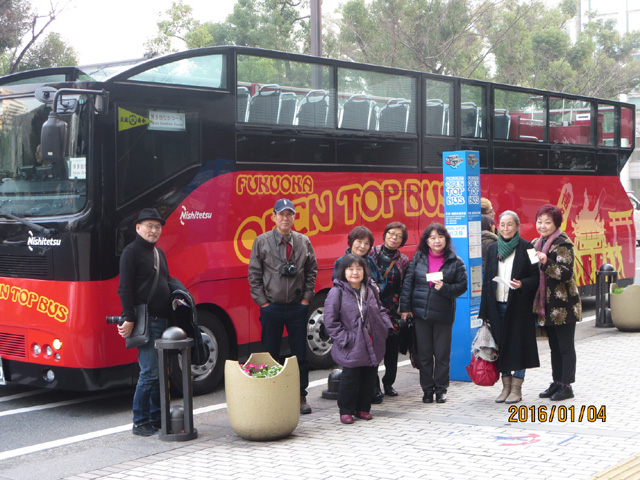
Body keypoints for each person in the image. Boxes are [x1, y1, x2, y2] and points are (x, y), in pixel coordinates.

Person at [117, 208, 187, 436]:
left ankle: (157, 418)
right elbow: (125, 288)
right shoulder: (131, 252)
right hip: (147, 321)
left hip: (163, 321)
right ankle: (140, 421)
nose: (154, 230)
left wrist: (182, 295)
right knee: (149, 373)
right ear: (138, 228)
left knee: (161, 373)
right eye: (149, 226)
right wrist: (129, 317)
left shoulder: (158, 253)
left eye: (157, 227)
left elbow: (167, 280)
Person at [248, 198, 318, 414]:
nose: (285, 218)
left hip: (297, 307)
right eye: (281, 214)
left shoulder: (303, 241)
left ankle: (300, 395)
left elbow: (312, 271)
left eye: (289, 214)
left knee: (300, 355)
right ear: (274, 217)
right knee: (271, 354)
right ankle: (272, 396)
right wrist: (263, 303)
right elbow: (254, 274)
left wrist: (306, 299)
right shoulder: (261, 241)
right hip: (272, 308)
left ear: (294, 217)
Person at [400, 223, 467, 404]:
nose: (437, 241)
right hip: (421, 314)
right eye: (432, 237)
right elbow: (408, 284)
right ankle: (427, 390)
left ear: (446, 239)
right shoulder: (419, 258)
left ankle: (441, 389)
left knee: (442, 354)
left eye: (440, 237)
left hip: (443, 315)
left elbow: (462, 286)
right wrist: (405, 308)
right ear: (427, 241)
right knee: (424, 354)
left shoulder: (455, 261)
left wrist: (445, 288)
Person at [478, 211, 540, 404]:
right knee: (501, 347)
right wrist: (484, 311)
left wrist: (522, 284)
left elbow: (537, 277)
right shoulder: (492, 248)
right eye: (502, 225)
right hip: (497, 307)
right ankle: (505, 387)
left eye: (510, 225)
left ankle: (516, 389)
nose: (505, 228)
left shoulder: (528, 247)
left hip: (519, 307)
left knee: (519, 347)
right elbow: (487, 279)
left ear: (517, 227)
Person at [323, 254, 393, 424]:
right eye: (351, 269)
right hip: (352, 342)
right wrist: (346, 339)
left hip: (372, 339)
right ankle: (346, 410)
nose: (355, 272)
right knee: (350, 377)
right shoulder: (336, 292)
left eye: (359, 269)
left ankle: (363, 408)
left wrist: (386, 327)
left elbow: (381, 309)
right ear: (344, 271)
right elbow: (330, 321)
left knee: (369, 375)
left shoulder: (370, 289)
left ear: (364, 271)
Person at [532, 204, 581, 401]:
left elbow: (565, 273)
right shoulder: (537, 243)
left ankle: (567, 385)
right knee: (554, 346)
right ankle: (557, 381)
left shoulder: (563, 244)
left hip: (564, 306)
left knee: (565, 346)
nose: (542, 226)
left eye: (547, 222)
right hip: (547, 305)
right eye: (539, 222)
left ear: (556, 224)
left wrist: (546, 262)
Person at [369, 221, 410, 399]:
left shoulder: (403, 260)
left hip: (393, 309)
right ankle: (374, 386)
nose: (394, 238)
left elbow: (406, 287)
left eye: (399, 236)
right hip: (373, 308)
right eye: (391, 233)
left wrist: (405, 309)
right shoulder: (372, 253)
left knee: (391, 350)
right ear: (385, 234)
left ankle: (389, 383)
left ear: (403, 240)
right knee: (374, 348)